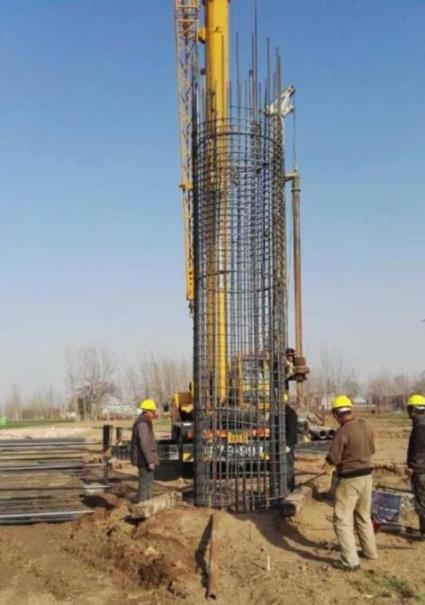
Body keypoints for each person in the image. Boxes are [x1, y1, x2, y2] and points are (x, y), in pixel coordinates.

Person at [324, 394, 377, 571]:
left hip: (350, 479)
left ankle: (350, 561)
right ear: (350, 410)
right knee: (363, 516)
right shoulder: (365, 426)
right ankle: (370, 551)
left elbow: (334, 457)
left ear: (336, 414)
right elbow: (372, 449)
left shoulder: (343, 431)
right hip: (367, 477)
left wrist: (327, 465)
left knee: (342, 519)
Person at [131, 398, 159, 502]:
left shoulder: (145, 422)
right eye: (153, 412)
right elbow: (144, 443)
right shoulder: (143, 424)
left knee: (149, 482)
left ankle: (148, 503)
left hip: (144, 458)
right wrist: (150, 461)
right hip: (143, 459)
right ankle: (143, 505)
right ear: (146, 411)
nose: (154, 414)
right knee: (145, 483)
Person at [405, 393, 425, 540]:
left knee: (422, 501)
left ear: (413, 410)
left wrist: (412, 468)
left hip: (421, 471)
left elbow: (418, 451)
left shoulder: (420, 427)